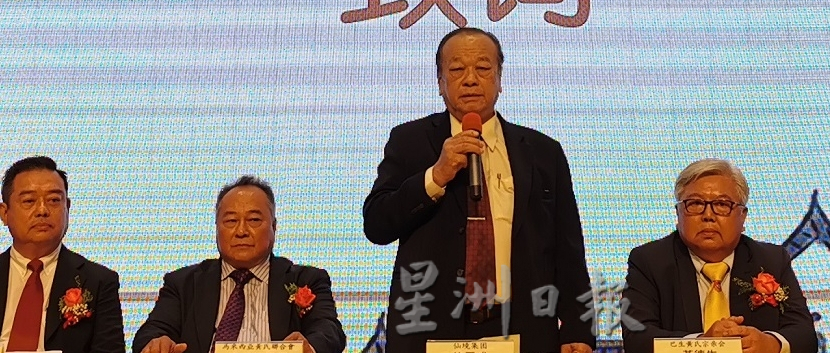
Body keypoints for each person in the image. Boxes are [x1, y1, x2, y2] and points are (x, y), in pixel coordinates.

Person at [363, 27, 595, 353]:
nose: (470, 79)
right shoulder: (410, 141)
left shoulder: (543, 152)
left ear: (500, 80)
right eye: (457, 69)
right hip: (429, 328)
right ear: (440, 82)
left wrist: (578, 328)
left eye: (483, 68)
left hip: (522, 328)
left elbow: (568, 248)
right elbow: (376, 224)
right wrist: (435, 176)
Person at [622, 158, 816, 353]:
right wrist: (701, 344)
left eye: (722, 204)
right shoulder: (649, 261)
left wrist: (771, 343)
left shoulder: (771, 259)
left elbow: (805, 336)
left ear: (742, 216)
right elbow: (636, 339)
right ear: (678, 213)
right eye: (695, 203)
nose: (708, 215)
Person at [133, 176, 346, 353]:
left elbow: (329, 331)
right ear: (217, 228)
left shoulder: (306, 280)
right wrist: (157, 344)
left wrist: (309, 347)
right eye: (231, 221)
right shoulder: (183, 283)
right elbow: (150, 333)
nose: (241, 231)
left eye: (253, 220)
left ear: (274, 227)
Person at [0, 156, 125, 353]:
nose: (42, 210)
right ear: (4, 213)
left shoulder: (98, 282)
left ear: (67, 207)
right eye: (29, 201)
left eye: (54, 200)